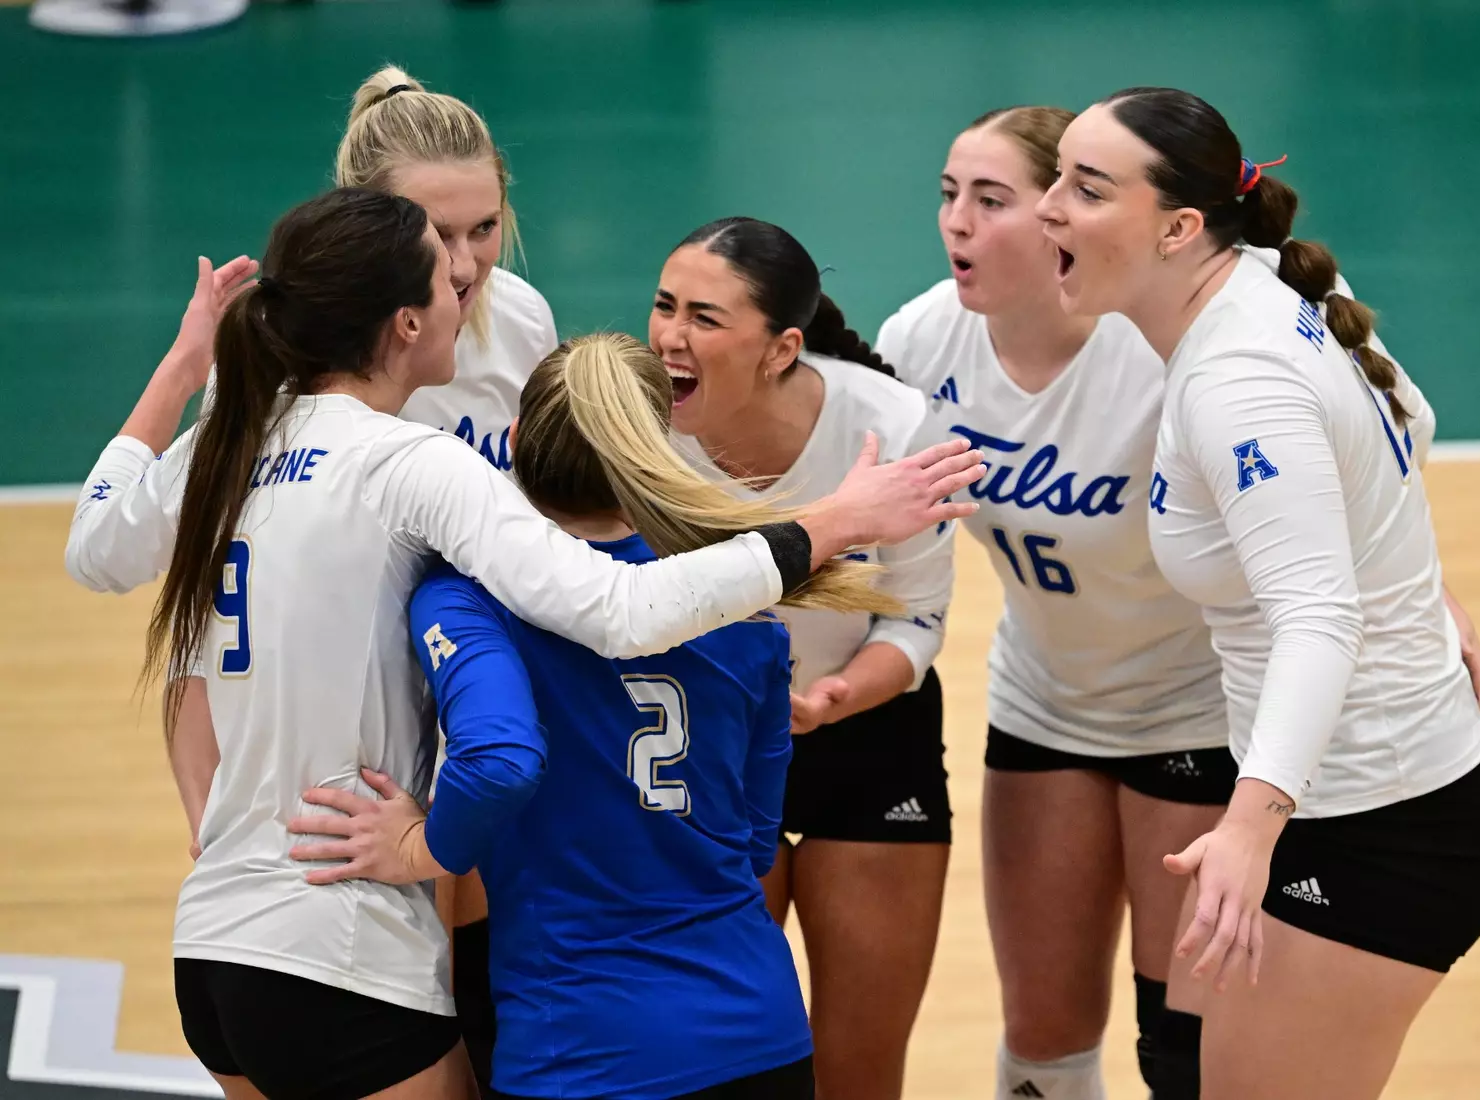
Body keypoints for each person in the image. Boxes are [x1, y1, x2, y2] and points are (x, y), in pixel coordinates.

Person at [63, 187, 984, 1100]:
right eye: (447, 272)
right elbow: (620, 614)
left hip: (216, 947)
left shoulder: (231, 437)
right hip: (348, 944)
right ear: (406, 324)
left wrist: (185, 371)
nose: (470, 279)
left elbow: (96, 549)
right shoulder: (413, 463)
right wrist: (821, 529)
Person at [1038, 86, 1480, 1100]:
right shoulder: (1274, 282)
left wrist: (1248, 828)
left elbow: (1314, 614)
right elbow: (1406, 424)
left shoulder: (1235, 378)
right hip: (1360, 794)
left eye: (1082, 188)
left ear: (1175, 227)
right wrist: (1424, 599)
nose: (1046, 208)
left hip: (1378, 822)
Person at [289, 331, 838, 1100]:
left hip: (578, 1049)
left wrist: (420, 848)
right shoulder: (745, 616)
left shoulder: (466, 596)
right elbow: (752, 846)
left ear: (513, 443)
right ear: (655, 457)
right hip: (757, 1034)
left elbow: (495, 766)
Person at [168, 65, 556, 1085]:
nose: (466, 263)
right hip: (346, 768)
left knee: (491, 1024)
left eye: (485, 226)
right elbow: (196, 626)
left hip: (468, 736)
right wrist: (222, 833)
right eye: (439, 234)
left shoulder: (520, 322)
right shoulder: (281, 359)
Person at [873, 105, 1233, 1100]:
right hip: (1046, 705)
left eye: (989, 200)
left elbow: (1367, 444)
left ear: (1058, 220)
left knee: (1183, 1040)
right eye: (947, 195)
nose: (954, 222)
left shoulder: (1161, 345)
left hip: (1193, 708)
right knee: (1041, 1040)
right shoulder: (924, 340)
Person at [653, 217, 955, 1100]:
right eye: (664, 306)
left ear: (783, 347)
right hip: (702, 747)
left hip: (865, 736)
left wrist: (831, 698)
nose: (671, 334)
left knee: (860, 1072)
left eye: (705, 318)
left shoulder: (891, 423)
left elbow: (920, 619)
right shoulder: (635, 431)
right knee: (718, 1070)